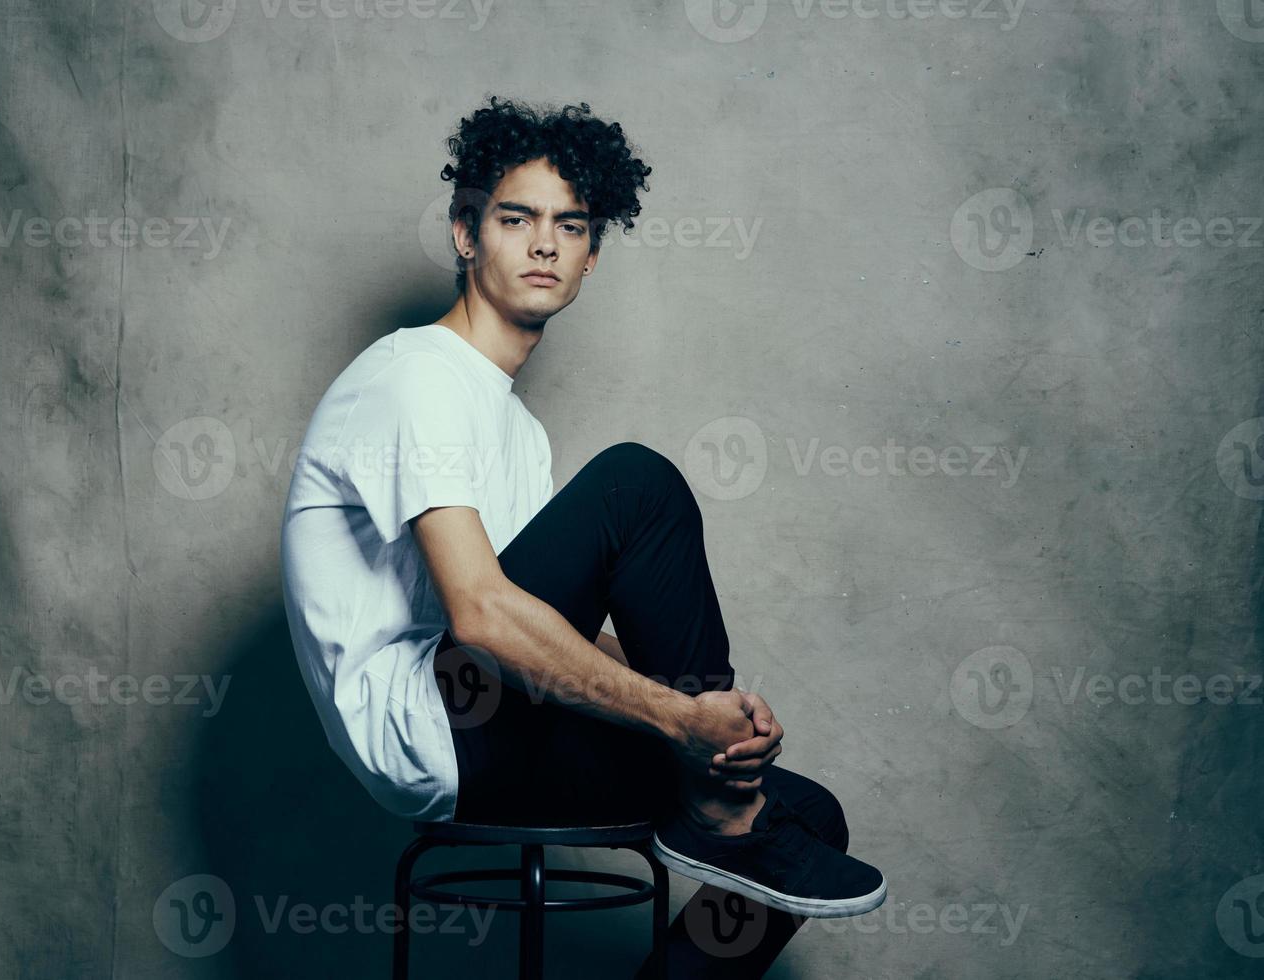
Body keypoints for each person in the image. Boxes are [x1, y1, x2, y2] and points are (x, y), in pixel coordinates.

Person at [280, 95, 886, 974]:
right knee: (636, 482)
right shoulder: (415, 377)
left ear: (591, 256)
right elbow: (485, 616)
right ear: (464, 233)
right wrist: (680, 717)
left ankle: (729, 799)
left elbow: (541, 629)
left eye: (571, 227)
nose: (543, 244)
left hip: (493, 721)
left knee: (806, 818)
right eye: (515, 218)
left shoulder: (519, 433)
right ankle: (721, 809)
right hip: (426, 722)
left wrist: (720, 727)